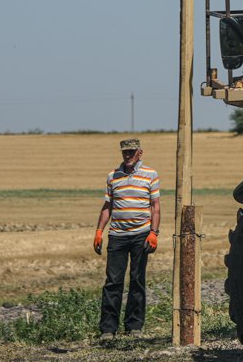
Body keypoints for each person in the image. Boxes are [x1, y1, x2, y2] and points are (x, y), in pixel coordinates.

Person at [94, 138, 160, 339]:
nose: (128, 156)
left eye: (131, 152)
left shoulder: (150, 175)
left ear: (140, 152)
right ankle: (108, 329)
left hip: (141, 234)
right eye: (125, 152)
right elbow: (108, 207)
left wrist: (154, 233)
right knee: (113, 282)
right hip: (117, 236)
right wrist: (99, 231)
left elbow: (155, 207)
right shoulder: (113, 176)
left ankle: (134, 326)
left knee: (137, 280)